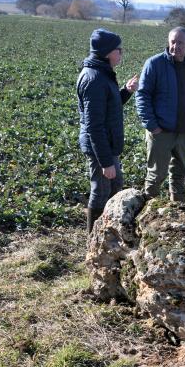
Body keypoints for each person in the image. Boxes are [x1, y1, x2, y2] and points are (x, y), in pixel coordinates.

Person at [77, 28, 138, 233]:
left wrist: (126, 92)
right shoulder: (95, 79)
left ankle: (108, 236)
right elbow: (94, 126)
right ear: (107, 52)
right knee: (101, 193)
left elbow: (109, 107)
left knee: (115, 188)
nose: (121, 53)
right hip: (100, 150)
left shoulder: (102, 74)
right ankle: (93, 239)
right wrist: (105, 162)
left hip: (108, 146)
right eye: (118, 49)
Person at [135, 27, 185, 201]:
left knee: (180, 174)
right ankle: (147, 210)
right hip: (161, 131)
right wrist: (152, 125)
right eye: (173, 41)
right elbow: (142, 95)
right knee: (156, 175)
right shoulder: (154, 64)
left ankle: (177, 209)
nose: (175, 46)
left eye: (180, 42)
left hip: (184, 132)